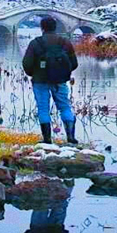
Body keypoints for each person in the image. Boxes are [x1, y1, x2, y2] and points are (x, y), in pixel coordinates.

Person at [22, 16, 79, 144]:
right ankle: (71, 137)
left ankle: (47, 140)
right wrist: (63, 73)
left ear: (42, 28)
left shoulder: (35, 43)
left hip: (40, 81)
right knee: (65, 107)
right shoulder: (65, 43)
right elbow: (74, 63)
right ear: (56, 27)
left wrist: (34, 74)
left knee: (43, 109)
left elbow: (27, 64)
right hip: (60, 81)